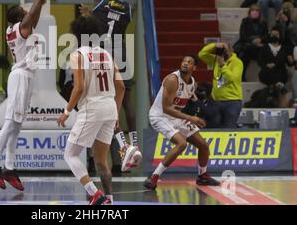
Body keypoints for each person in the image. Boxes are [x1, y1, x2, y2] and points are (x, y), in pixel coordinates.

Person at [0, 0, 61, 191]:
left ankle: (8, 166)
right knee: (10, 123)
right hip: (20, 76)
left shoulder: (17, 29)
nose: (30, 13)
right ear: (20, 18)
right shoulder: (21, 29)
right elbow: (39, 0)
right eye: (25, 13)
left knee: (16, 125)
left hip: (24, 76)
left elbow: (38, 4)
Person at [81, 0, 142, 172]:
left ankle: (119, 147)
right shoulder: (128, 9)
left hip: (103, 56)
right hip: (121, 54)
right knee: (126, 103)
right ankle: (134, 145)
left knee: (106, 103)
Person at [56, 16, 125, 205]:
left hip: (92, 107)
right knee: (102, 161)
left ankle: (95, 193)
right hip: (110, 107)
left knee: (70, 154)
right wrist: (117, 113)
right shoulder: (106, 54)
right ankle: (109, 198)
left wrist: (67, 111)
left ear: (75, 34)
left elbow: (78, 88)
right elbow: (121, 87)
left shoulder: (77, 54)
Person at [144, 55, 221, 190]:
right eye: (184, 61)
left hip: (175, 117)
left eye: (189, 62)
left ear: (194, 67)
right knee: (182, 143)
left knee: (203, 145)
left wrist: (193, 118)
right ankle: (154, 177)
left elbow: (182, 106)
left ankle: (202, 176)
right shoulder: (172, 80)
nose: (185, 63)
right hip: (160, 116)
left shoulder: (193, 84)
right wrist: (191, 118)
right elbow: (166, 109)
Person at [198, 43, 244, 128]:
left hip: (232, 102)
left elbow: (232, 78)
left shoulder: (237, 63)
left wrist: (222, 65)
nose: (224, 53)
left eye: (225, 50)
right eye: (222, 51)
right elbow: (202, 54)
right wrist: (215, 45)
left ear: (231, 51)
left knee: (229, 128)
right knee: (213, 127)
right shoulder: (216, 59)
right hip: (216, 101)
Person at [233, 5, 268, 81]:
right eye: (253, 10)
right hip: (247, 44)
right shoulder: (245, 21)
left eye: (257, 10)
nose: (255, 12)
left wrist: (260, 40)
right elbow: (243, 35)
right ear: (249, 12)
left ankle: (265, 75)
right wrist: (252, 41)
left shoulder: (264, 23)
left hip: (259, 45)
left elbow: (266, 36)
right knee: (246, 52)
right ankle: (241, 76)